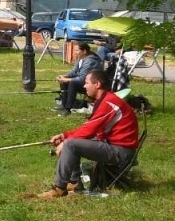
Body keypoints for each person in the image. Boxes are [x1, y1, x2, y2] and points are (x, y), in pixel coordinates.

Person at [43, 68, 140, 197]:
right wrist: (64, 136)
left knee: (71, 144)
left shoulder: (109, 103)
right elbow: (89, 128)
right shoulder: (105, 100)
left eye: (87, 83)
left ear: (97, 84)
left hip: (121, 151)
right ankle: (74, 182)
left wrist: (66, 141)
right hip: (114, 145)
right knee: (70, 142)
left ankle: (59, 188)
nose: (84, 86)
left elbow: (89, 130)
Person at [55, 44, 105, 113]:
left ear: (84, 51)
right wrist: (65, 77)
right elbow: (74, 71)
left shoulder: (90, 61)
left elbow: (82, 78)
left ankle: (68, 109)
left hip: (92, 85)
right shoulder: (81, 58)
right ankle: (64, 105)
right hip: (85, 82)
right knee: (65, 82)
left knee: (73, 83)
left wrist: (66, 79)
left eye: (77, 50)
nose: (75, 52)